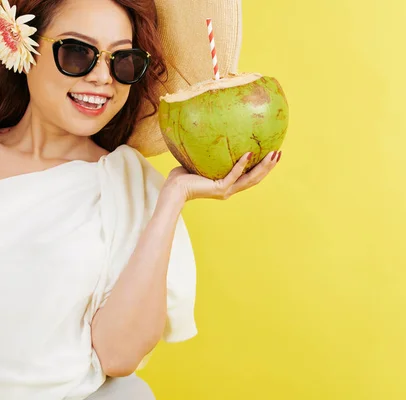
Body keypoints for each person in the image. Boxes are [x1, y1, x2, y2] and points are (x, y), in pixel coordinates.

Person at [0, 0, 281, 399]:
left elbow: (118, 356)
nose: (103, 78)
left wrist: (172, 198)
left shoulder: (126, 184)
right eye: (78, 52)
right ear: (19, 43)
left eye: (123, 61)